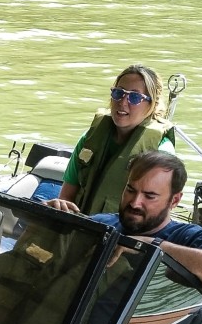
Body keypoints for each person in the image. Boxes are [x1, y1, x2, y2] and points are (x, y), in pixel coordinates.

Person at [47, 151, 202, 324]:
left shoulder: (190, 237)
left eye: (149, 196)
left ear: (174, 200)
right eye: (131, 190)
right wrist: (49, 218)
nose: (135, 202)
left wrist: (152, 245)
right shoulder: (103, 223)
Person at [58, 64, 176, 215]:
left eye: (135, 97)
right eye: (118, 93)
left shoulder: (161, 151)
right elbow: (67, 196)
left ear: (152, 105)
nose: (123, 101)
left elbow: (158, 215)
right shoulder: (89, 138)